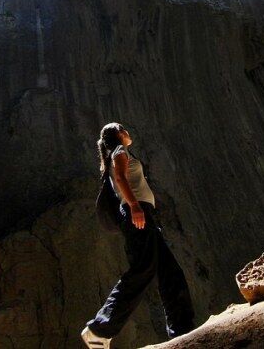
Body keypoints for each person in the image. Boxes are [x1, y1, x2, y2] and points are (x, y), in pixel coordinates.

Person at [81, 122, 196, 348]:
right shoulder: (120, 151)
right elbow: (122, 178)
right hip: (137, 213)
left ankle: (182, 329)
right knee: (142, 269)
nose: (128, 133)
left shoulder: (118, 153)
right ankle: (98, 329)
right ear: (119, 134)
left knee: (170, 271)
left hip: (143, 214)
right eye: (124, 130)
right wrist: (134, 206)